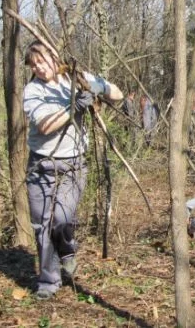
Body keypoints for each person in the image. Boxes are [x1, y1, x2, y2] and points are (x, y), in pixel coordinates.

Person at [22, 41, 123, 300]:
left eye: (43, 61)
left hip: (73, 165)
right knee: (42, 226)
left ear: (55, 58)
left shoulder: (75, 79)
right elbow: (45, 126)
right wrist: (74, 107)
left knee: (62, 219)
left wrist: (96, 87)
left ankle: (67, 248)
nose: (40, 68)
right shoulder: (33, 91)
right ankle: (48, 281)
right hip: (41, 166)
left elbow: (118, 94)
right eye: (34, 64)